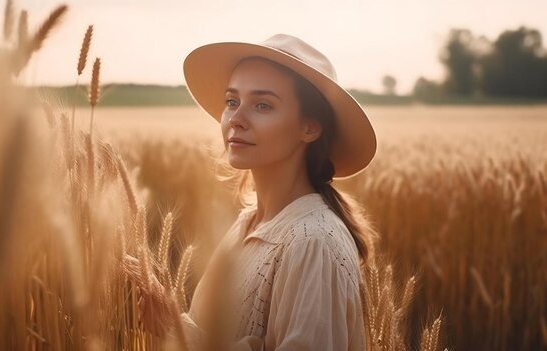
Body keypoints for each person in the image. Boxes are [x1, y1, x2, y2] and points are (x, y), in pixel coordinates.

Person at [137, 34, 378, 351]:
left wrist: (176, 329)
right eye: (231, 102)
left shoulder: (312, 242)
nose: (235, 120)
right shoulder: (248, 223)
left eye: (263, 105)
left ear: (310, 127)